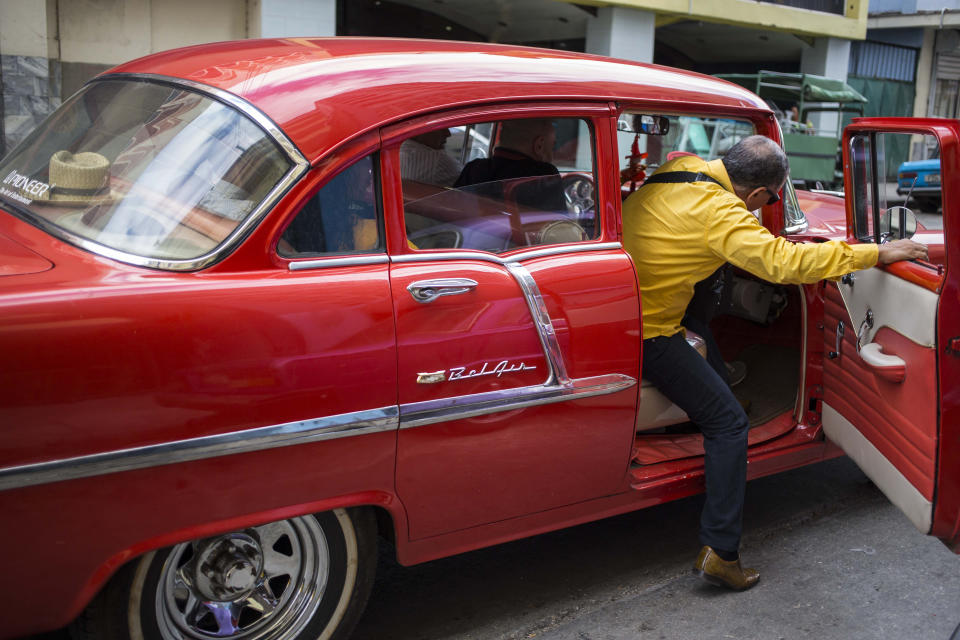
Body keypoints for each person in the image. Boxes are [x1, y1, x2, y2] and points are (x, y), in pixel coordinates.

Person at [622, 135, 928, 591]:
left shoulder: (676, 173)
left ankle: (721, 381)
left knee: (699, 308)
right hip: (649, 332)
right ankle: (721, 552)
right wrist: (876, 253)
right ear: (759, 196)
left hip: (627, 306)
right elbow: (782, 263)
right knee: (727, 424)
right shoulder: (721, 213)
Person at [454, 118, 565, 213]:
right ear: (539, 145)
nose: (552, 155)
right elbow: (559, 228)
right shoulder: (544, 176)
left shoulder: (472, 168)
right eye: (552, 146)